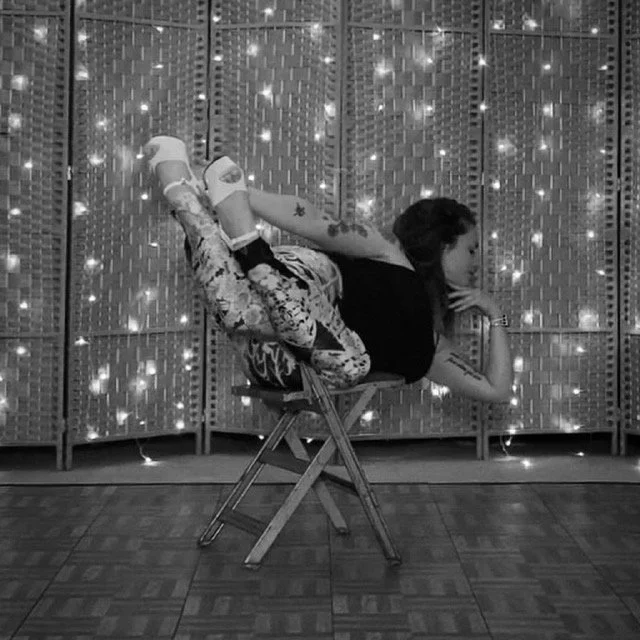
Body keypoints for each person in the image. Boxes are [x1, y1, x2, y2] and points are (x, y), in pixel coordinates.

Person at [144, 136, 512, 401]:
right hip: (296, 285)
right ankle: (239, 236)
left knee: (247, 313)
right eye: (471, 249)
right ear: (443, 243)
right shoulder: (387, 251)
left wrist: (495, 314)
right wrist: (236, 194)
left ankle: (195, 207)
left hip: (277, 361)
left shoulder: (429, 345)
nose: (476, 262)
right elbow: (314, 222)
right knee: (321, 341)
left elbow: (497, 390)